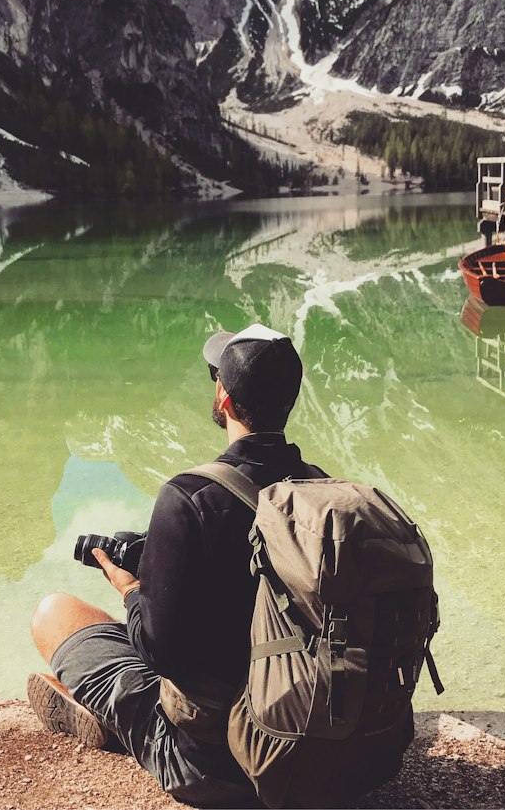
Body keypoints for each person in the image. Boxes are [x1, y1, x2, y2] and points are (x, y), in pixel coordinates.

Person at [27, 323, 321, 806]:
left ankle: (118, 723)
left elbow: (157, 653)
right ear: (289, 400)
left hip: (217, 766)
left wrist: (130, 589)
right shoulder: (321, 495)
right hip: (313, 743)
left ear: (224, 397)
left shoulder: (190, 497)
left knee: (54, 614)